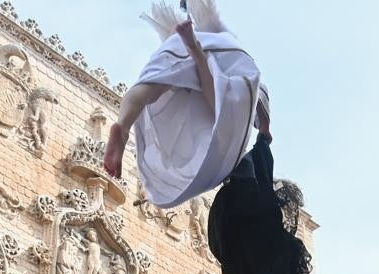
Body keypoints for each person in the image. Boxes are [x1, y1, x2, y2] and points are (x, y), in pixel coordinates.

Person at [104, 0, 267, 210]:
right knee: (221, 110)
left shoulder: (174, 37)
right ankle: (197, 54)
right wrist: (265, 126)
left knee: (151, 87)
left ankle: (123, 127)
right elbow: (260, 94)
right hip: (222, 54)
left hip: (176, 46)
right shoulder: (224, 38)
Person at [206, 131, 350, 274]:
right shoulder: (254, 189)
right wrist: (263, 136)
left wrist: (263, 137)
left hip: (246, 233)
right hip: (249, 234)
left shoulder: (249, 191)